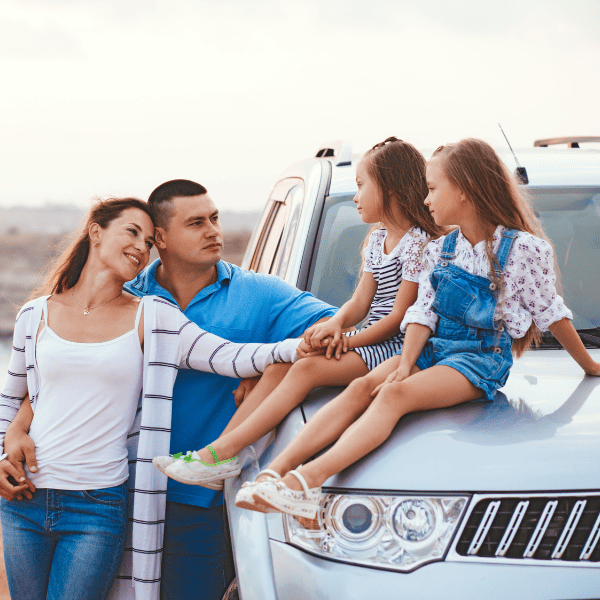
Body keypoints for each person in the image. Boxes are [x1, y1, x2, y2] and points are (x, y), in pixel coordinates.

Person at [238, 138, 600, 518]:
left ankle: (304, 481)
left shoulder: (523, 249)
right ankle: (274, 474)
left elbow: (551, 313)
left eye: (432, 188)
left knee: (393, 396)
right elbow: (421, 314)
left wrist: (589, 367)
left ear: (464, 189)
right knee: (364, 386)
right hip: (434, 350)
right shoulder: (439, 249)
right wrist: (405, 363)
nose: (426, 201)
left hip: (478, 359)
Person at [0, 197, 310, 600]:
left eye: (148, 241)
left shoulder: (154, 316)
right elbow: (12, 398)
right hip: (24, 501)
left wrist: (291, 353)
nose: (141, 247)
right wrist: (4, 451)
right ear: (96, 232)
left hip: (97, 506)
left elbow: (231, 356)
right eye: (132, 232)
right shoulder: (35, 314)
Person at [156, 138, 444, 494]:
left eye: (361, 186)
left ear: (389, 189)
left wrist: (349, 340)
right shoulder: (376, 239)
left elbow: (399, 316)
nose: (356, 196)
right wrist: (336, 324)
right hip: (371, 337)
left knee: (306, 367)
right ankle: (222, 455)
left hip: (397, 345)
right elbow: (358, 303)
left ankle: (220, 455)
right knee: (281, 364)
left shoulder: (418, 243)